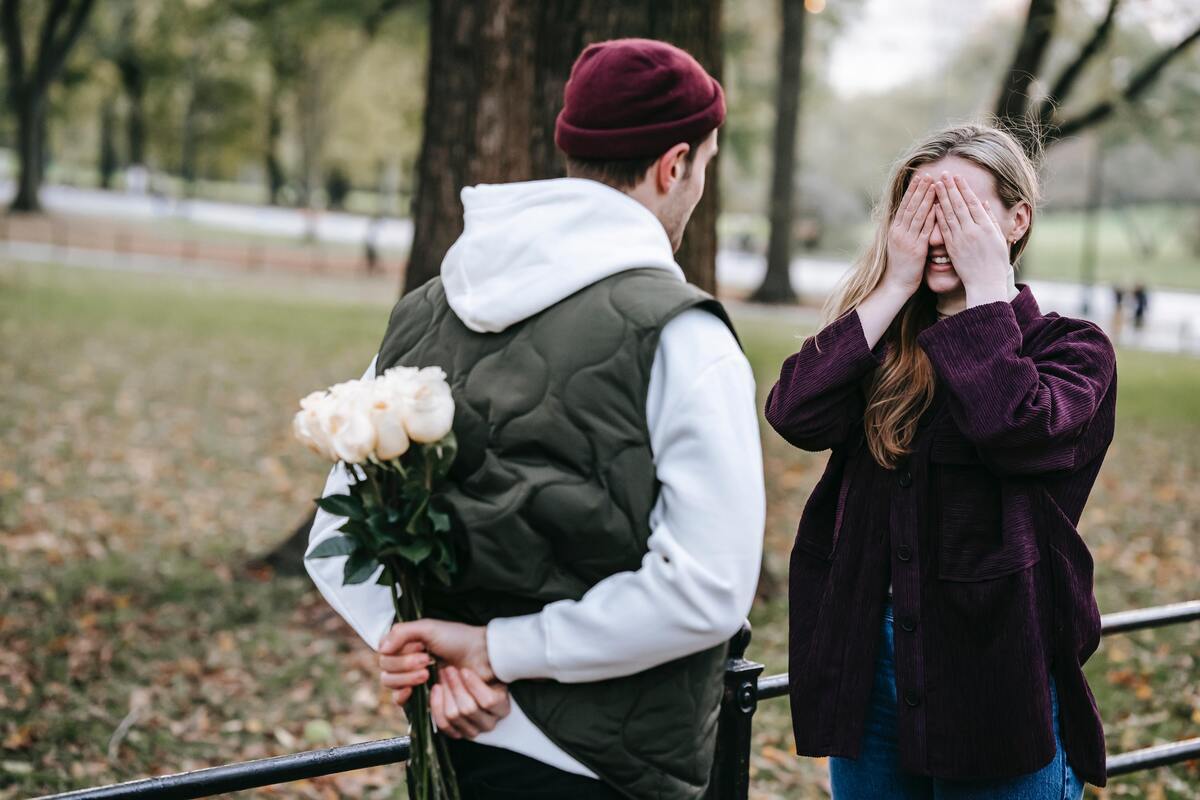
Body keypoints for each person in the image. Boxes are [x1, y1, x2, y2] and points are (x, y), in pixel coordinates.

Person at [305, 39, 765, 800]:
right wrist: (489, 650)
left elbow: (337, 535)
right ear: (674, 165)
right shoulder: (683, 333)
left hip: (459, 742)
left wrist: (429, 652)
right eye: (705, 168)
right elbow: (707, 589)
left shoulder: (429, 306)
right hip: (608, 768)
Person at [764, 123, 1115, 799]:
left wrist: (985, 297)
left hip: (997, 676)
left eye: (961, 213)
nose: (938, 233)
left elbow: (1017, 429)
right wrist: (892, 286)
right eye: (921, 213)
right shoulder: (884, 346)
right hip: (873, 669)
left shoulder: (1072, 351)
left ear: (1017, 221)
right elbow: (793, 413)